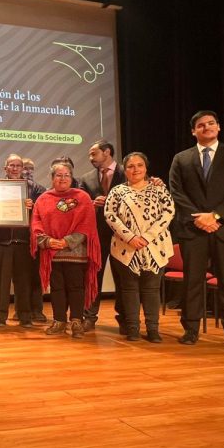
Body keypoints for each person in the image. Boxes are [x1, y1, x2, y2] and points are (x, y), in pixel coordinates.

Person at [169, 110, 224, 350]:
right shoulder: (181, 158)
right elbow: (177, 191)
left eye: (210, 123)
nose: (206, 127)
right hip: (193, 228)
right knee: (192, 281)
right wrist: (200, 218)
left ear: (218, 127)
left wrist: (215, 216)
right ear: (193, 131)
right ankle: (191, 329)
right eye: (200, 125)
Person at [104, 152, 175, 342]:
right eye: (130, 166)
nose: (135, 169)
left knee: (152, 290)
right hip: (125, 247)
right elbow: (110, 215)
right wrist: (131, 237)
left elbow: (168, 213)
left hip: (154, 247)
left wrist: (146, 237)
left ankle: (153, 329)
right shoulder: (117, 191)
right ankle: (133, 328)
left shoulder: (159, 189)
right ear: (125, 170)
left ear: (146, 168)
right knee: (129, 290)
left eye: (140, 165)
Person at [32, 162, 100, 339]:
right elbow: (36, 224)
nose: (62, 179)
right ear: (52, 178)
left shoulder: (83, 197)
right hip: (52, 253)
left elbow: (87, 226)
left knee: (76, 288)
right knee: (57, 289)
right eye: (58, 175)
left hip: (76, 253)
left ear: (72, 177)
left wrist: (66, 242)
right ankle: (59, 321)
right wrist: (48, 241)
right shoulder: (43, 199)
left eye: (66, 175)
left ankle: (76, 321)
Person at [79, 140, 126, 333]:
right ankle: (89, 317)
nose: (90, 158)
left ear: (107, 152)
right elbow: (79, 204)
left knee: (123, 279)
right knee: (92, 277)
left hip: (122, 235)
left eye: (94, 154)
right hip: (96, 235)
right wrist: (90, 203)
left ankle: (125, 319)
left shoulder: (127, 172)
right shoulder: (86, 177)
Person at [0, 154, 37, 329]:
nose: (15, 168)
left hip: (23, 242)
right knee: (1, 282)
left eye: (18, 165)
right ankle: (0, 318)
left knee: (23, 282)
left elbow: (41, 215)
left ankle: (25, 316)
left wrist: (33, 207)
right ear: (5, 168)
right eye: (11, 165)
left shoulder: (31, 188)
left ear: (23, 168)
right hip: (2, 242)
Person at [22, 158, 49, 323]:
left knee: (36, 277)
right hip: (18, 238)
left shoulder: (41, 190)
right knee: (21, 277)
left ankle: (38, 310)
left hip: (36, 239)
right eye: (25, 168)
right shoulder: (11, 188)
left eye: (30, 168)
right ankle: (21, 310)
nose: (27, 171)